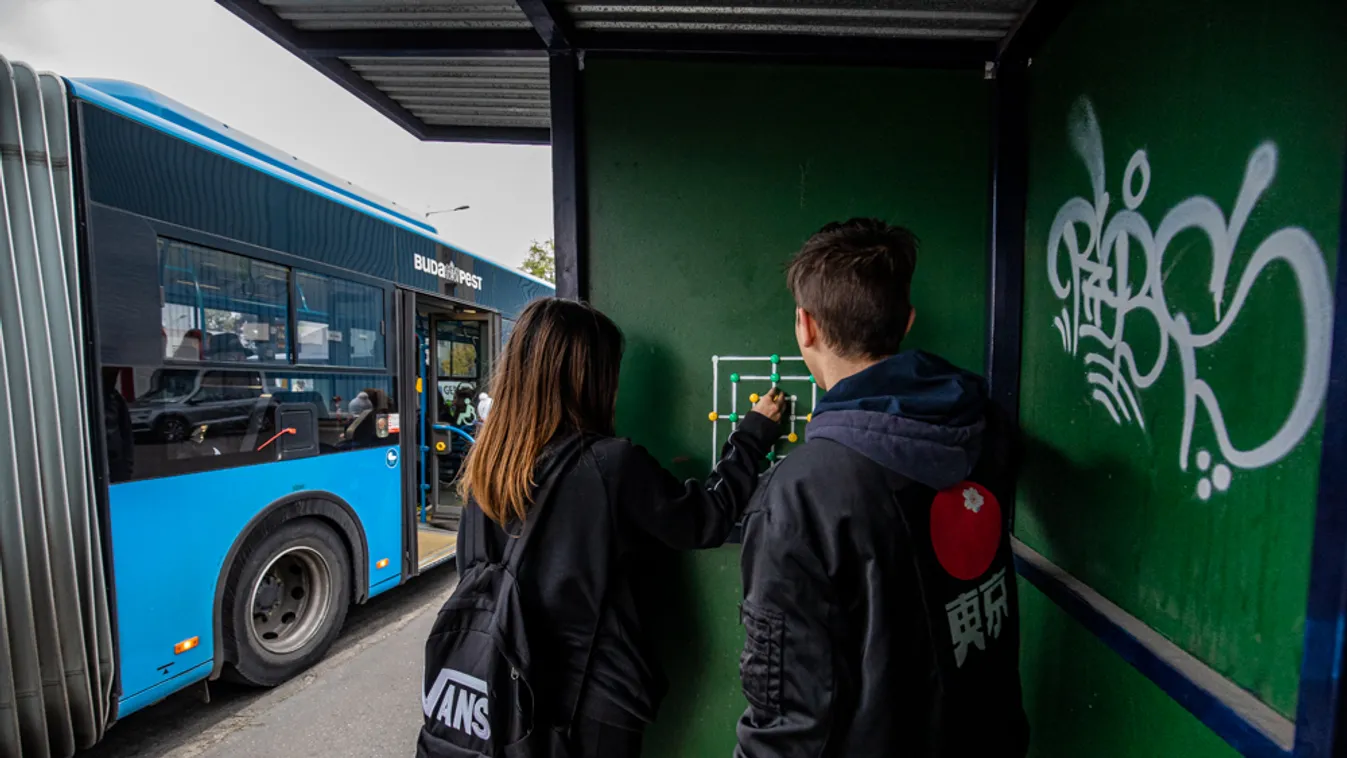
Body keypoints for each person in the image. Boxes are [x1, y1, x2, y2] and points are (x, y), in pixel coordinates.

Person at [735, 219, 1029, 757]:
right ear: (908, 320)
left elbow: (787, 720)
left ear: (805, 325)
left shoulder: (801, 492)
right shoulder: (986, 428)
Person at [444, 297, 784, 758]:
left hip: (506, 693)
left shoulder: (486, 465)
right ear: (589, 379)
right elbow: (704, 521)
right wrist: (752, 437)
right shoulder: (609, 465)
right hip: (591, 707)